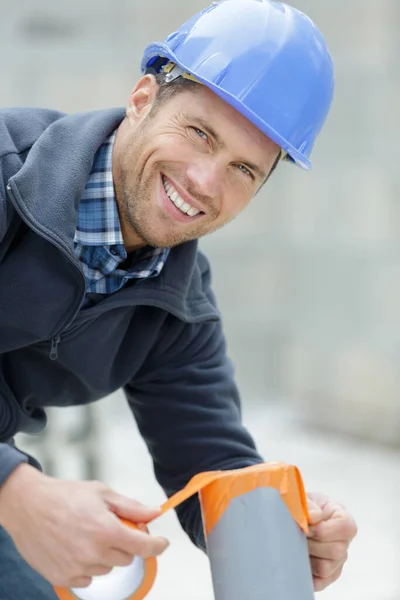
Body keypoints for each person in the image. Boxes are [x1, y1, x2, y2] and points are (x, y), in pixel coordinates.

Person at [0, 0, 357, 597]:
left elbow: (209, 457)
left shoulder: (178, 303)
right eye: (198, 133)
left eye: (243, 169)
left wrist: (283, 528)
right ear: (142, 99)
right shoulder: (7, 173)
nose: (204, 181)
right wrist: (16, 491)